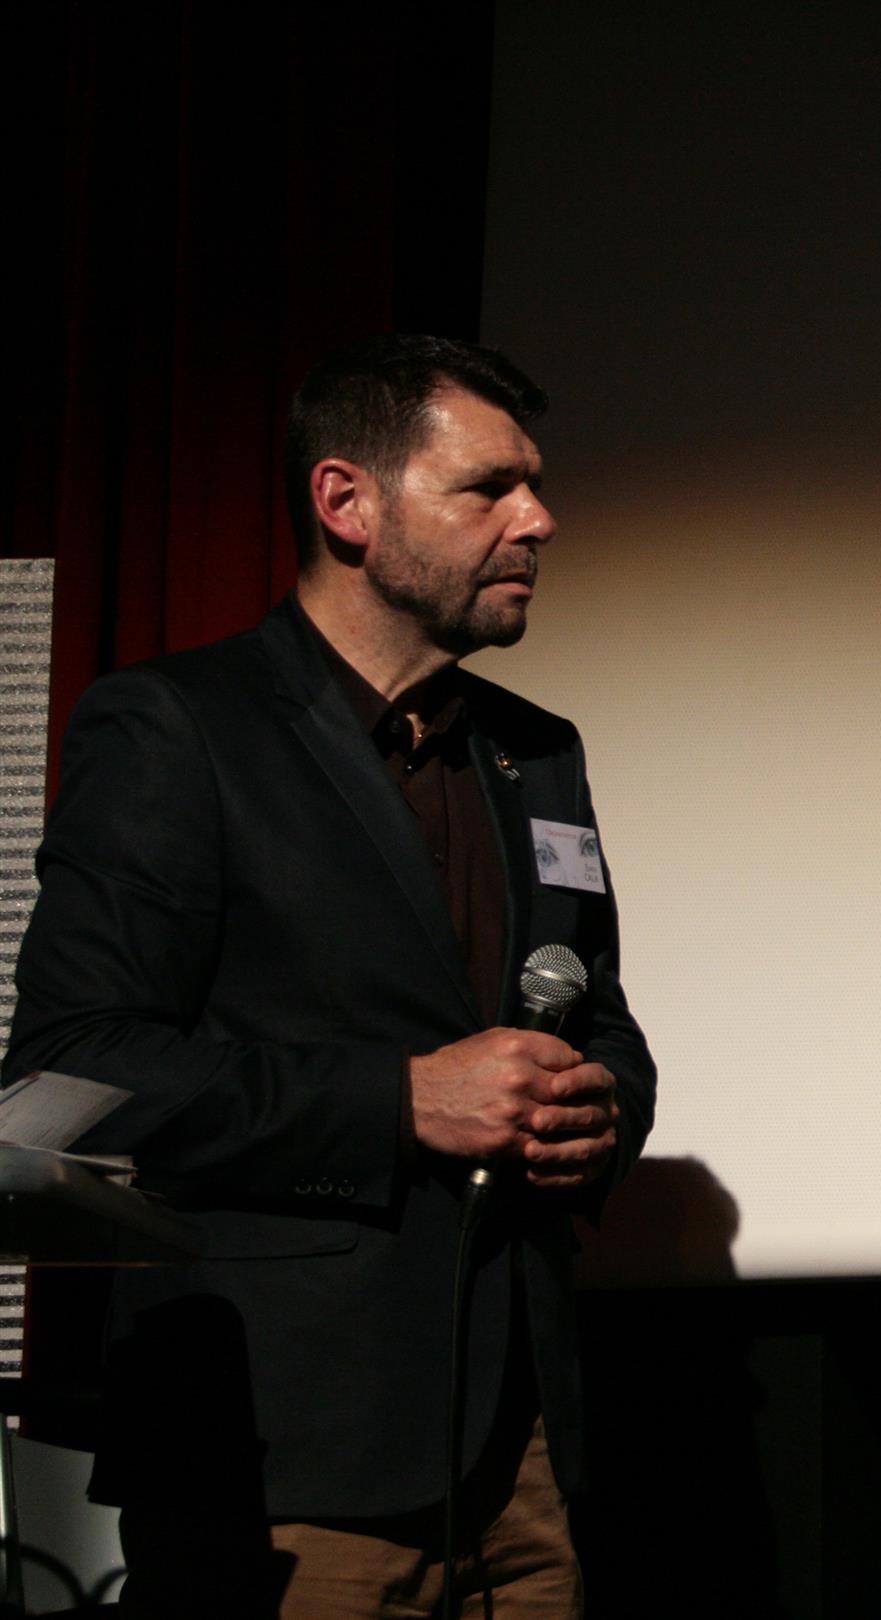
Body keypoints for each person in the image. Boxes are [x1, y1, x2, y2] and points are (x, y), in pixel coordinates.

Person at [5, 335, 655, 1615]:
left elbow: (601, 1016)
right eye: (491, 487)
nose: (539, 519)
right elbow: (72, 1067)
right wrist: (401, 1100)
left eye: (534, 484)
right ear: (347, 503)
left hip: (521, 1459)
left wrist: (604, 1113)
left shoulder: (537, 753)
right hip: (286, 1455)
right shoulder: (178, 728)